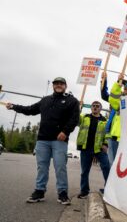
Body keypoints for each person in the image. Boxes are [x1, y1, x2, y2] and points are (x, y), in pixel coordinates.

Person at [6, 77, 80, 205]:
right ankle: (39, 191)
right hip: (42, 140)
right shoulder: (45, 100)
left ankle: (62, 193)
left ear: (65, 86)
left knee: (60, 167)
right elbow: (30, 110)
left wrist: (65, 132)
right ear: (53, 86)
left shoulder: (72, 101)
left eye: (61, 84)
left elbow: (74, 119)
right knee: (42, 167)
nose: (58, 85)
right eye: (56, 83)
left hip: (59, 140)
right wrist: (13, 106)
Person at [76, 101, 110, 198]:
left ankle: (108, 190)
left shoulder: (105, 120)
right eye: (93, 106)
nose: (95, 107)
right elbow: (76, 121)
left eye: (97, 106)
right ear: (91, 108)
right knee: (84, 171)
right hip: (86, 148)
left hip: (99, 149)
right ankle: (84, 191)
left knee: (106, 168)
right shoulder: (85, 117)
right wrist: (78, 110)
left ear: (100, 108)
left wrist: (105, 144)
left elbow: (107, 134)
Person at [101, 73, 127, 166]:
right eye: (125, 85)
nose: (126, 87)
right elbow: (109, 96)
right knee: (112, 166)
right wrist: (115, 82)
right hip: (114, 137)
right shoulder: (118, 99)